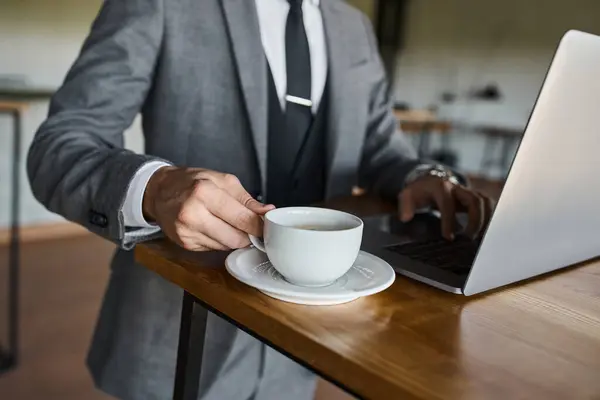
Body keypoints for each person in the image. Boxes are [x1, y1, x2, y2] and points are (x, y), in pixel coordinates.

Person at [27, 0, 494, 399]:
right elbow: (58, 146)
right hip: (176, 332)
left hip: (304, 347)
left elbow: (382, 150)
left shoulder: (354, 27)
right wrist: (154, 187)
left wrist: (423, 175)